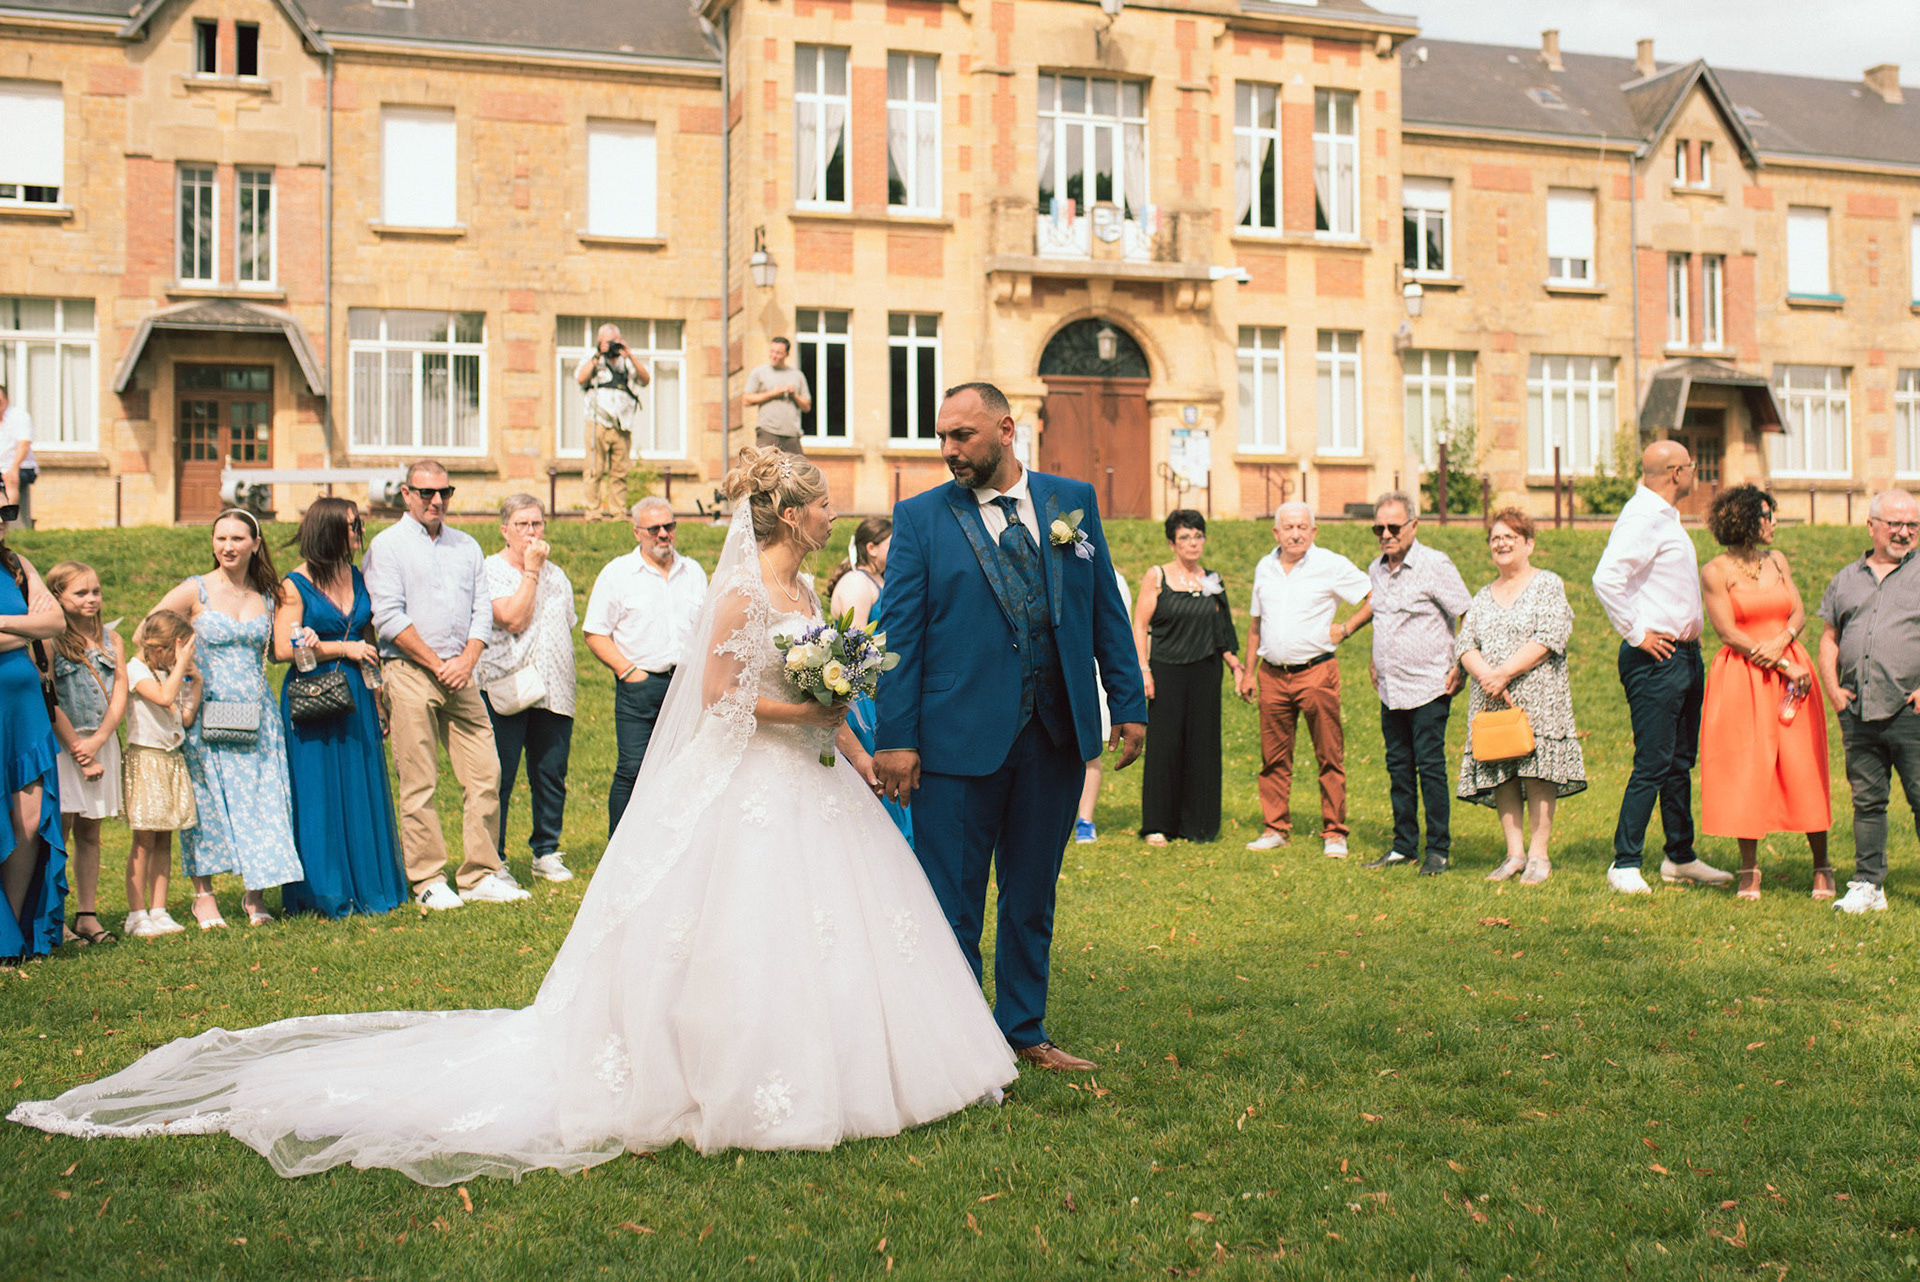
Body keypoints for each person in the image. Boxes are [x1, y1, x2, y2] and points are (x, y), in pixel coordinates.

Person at [11, 445, 1018, 1180]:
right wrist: (815, 710)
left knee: (837, 930)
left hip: (814, 783)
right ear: (790, 514)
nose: (833, 515)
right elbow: (721, 697)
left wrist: (853, 747)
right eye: (823, 505)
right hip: (753, 783)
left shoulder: (807, 595)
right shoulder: (742, 596)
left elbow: (820, 695)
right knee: (737, 931)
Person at [874, 381, 1147, 1073]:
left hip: (1053, 740)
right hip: (954, 743)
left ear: (1005, 430)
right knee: (953, 903)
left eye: (961, 435)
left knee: (1030, 896)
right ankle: (957, 1043)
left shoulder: (1072, 502)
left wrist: (1128, 703)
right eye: (941, 437)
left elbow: (1104, 611)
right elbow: (899, 636)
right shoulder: (920, 518)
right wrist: (896, 739)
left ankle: (1024, 1029)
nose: (948, 450)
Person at [363, 460, 527, 910]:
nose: (437, 501)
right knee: (419, 780)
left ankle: (480, 874)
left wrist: (467, 660)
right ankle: (428, 878)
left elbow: (481, 611)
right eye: (426, 493)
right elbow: (388, 617)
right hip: (410, 670)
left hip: (461, 672)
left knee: (486, 772)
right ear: (406, 494)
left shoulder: (466, 546)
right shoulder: (387, 546)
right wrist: (438, 664)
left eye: (444, 492)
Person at [146, 510, 302, 928]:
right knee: (208, 803)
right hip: (206, 709)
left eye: (237, 539)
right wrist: (182, 668)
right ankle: (204, 897)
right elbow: (149, 630)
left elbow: (277, 651)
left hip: (257, 711)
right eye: (221, 538)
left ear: (255, 543)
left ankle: (256, 894)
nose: (228, 547)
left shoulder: (269, 595)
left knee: (264, 802)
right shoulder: (195, 589)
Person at [1592, 440, 1734, 894]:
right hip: (1655, 658)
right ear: (1676, 472)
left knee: (1678, 762)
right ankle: (1625, 862)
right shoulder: (1643, 517)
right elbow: (1606, 578)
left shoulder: (1665, 517)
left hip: (1683, 655)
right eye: (1692, 466)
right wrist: (1638, 634)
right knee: (1653, 762)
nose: (1695, 473)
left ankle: (1680, 856)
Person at [273, 498, 408, 919]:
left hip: (358, 695)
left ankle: (369, 884)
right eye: (352, 525)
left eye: (358, 524)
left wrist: (378, 699)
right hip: (314, 694)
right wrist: (340, 648)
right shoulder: (294, 585)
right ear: (329, 530)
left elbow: (368, 641)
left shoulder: (358, 576)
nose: (358, 532)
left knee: (361, 787)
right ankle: (324, 892)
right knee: (318, 793)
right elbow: (281, 649)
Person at [1698, 486, 1830, 901]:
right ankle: (1749, 869)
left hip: (1794, 675)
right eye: (1766, 516)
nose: (1773, 523)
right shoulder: (1715, 571)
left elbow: (1798, 611)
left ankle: (1822, 865)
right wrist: (1777, 660)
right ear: (1745, 521)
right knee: (1747, 768)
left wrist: (1784, 642)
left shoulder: (1778, 560)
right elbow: (1727, 632)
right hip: (1744, 676)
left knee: (1804, 765)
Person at [1453, 510, 1586, 885]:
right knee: (1502, 773)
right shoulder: (1482, 596)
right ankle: (1514, 855)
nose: (1501, 543)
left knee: (1538, 772)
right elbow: (1465, 644)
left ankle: (1539, 857)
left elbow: (1550, 636)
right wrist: (1487, 676)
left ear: (1529, 544)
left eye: (1510, 537)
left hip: (1538, 697)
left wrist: (1504, 673)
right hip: (1493, 698)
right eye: (1495, 538)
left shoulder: (1547, 584)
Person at [1239, 501, 1372, 857]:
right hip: (1272, 675)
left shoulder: (1330, 564)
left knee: (1329, 755)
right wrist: (1249, 672)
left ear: (1314, 531)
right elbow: (1256, 624)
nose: (1295, 534)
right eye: (1288, 528)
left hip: (1316, 673)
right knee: (1273, 758)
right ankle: (1275, 828)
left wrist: (1346, 628)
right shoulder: (1264, 567)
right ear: (1276, 532)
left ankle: (1335, 833)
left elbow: (1375, 596)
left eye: (1302, 527)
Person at [1819, 488, 1920, 914]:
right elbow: (1829, 639)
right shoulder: (1846, 579)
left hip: (1911, 712)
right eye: (1895, 523)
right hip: (1858, 711)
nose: (1904, 532)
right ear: (1872, 526)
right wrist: (1834, 691)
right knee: (1867, 802)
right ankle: (1868, 885)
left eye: (1912, 525)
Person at [583, 496, 707, 839]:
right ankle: (619, 848)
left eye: (669, 526)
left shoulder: (693, 572)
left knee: (682, 768)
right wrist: (628, 672)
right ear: (637, 531)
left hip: (684, 687)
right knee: (633, 769)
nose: (663, 534)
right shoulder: (618, 574)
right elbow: (594, 632)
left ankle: (669, 845)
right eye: (654, 529)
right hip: (640, 685)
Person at [1360, 491, 1470, 876]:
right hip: (1390, 689)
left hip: (1429, 686)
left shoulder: (1435, 565)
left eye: (1394, 527)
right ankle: (1403, 846)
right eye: (1379, 528)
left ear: (1413, 525)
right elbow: (1383, 619)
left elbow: (1468, 613)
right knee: (1398, 768)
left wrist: (1462, 665)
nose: (1386, 535)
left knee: (1430, 767)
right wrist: (1375, 659)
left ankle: (1438, 849)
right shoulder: (1376, 569)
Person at [479, 495, 577, 883]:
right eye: (522, 525)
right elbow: (513, 619)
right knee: (499, 776)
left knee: (550, 773)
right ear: (505, 530)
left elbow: (567, 622)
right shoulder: (490, 571)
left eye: (537, 523)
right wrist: (531, 571)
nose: (532, 532)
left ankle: (546, 851)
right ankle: (494, 858)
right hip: (506, 686)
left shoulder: (558, 575)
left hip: (554, 688)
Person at [1132, 510, 1244, 845]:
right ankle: (1158, 825)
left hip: (1205, 674)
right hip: (1166, 672)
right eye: (1184, 537)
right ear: (1172, 543)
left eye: (1197, 536)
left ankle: (1199, 826)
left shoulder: (1212, 579)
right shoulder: (1157, 576)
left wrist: (1237, 667)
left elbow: (1223, 632)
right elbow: (1139, 626)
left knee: (1202, 748)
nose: (1192, 543)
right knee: (1165, 748)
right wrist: (1143, 670)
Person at [45, 562, 128, 945]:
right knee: (60, 831)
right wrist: (80, 748)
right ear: (58, 596)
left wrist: (99, 740)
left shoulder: (112, 640)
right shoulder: (50, 642)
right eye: (80, 593)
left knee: (90, 832)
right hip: (66, 747)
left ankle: (87, 914)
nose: (91, 599)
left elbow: (120, 692)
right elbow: (50, 697)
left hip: (100, 742)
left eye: (95, 591)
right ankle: (54, 915)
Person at [0, 493, 67, 960]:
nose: (2, 521)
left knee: (29, 818)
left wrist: (6, 623)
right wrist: (27, 624)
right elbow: (39, 625)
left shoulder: (18, 565)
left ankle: (12, 929)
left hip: (24, 709)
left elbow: (57, 622)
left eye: (6, 512)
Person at [826, 517, 910, 846]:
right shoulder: (857, 584)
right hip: (865, 699)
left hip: (885, 689)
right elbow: (857, 647)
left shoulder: (880, 580)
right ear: (871, 548)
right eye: (892, 542)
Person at [122, 611, 199, 937]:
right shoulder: (136, 670)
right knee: (143, 840)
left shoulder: (167, 672)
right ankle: (136, 913)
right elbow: (164, 697)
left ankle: (159, 909)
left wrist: (196, 681)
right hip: (146, 760)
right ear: (160, 649)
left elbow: (185, 717)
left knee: (165, 836)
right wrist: (180, 666)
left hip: (170, 759)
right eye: (178, 651)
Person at [573, 324, 651, 522]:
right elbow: (581, 378)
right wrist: (598, 354)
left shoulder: (627, 362)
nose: (612, 346)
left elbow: (645, 379)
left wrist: (630, 355)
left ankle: (618, 513)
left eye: (615, 341)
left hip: (622, 424)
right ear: (599, 342)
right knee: (594, 469)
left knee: (620, 472)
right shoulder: (592, 358)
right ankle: (594, 512)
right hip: (597, 422)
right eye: (608, 342)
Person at [1076, 566, 1132, 844]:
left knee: (1089, 751)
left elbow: (1119, 630)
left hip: (1094, 673)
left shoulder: (1116, 581)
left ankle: (1085, 819)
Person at [742, 337, 811, 455]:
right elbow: (746, 399)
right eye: (772, 351)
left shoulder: (797, 375)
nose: (774, 356)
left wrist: (794, 395)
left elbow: (807, 406)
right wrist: (772, 394)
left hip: (792, 434)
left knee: (799, 466)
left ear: (787, 354)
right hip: (768, 432)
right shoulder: (759, 372)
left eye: (778, 353)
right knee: (765, 466)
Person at [0, 383, 36, 530]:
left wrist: (14, 467)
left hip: (21, 467)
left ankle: (9, 521)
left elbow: (24, 444)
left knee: (11, 479)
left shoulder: (19, 417)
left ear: (7, 400)